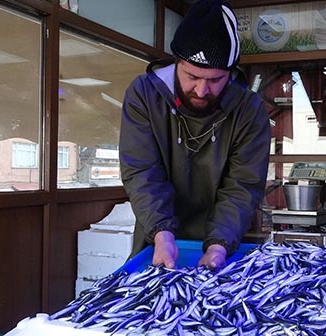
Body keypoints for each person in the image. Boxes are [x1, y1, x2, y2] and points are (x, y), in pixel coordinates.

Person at [119, 0, 271, 270]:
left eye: (215, 81)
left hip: (224, 240)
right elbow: (142, 172)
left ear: (231, 73)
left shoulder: (250, 110)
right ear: (177, 62)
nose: (201, 91)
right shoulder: (143, 94)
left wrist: (219, 245)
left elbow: (242, 187)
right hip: (156, 236)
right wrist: (162, 234)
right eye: (192, 76)